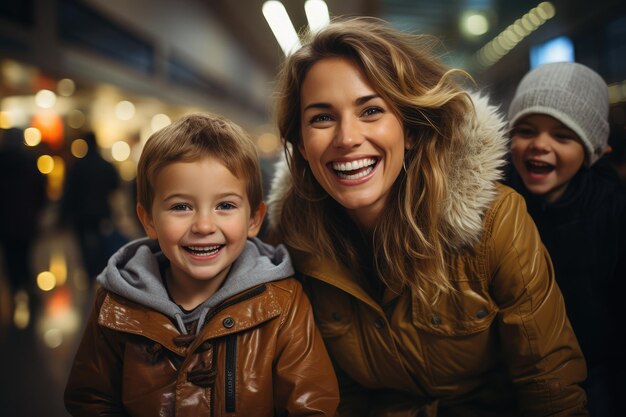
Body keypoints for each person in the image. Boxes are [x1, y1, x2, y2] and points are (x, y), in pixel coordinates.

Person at [266, 17, 588, 416]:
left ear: (412, 129)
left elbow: (550, 385)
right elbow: (334, 396)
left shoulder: (494, 221)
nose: (347, 138)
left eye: (370, 111)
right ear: (300, 142)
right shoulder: (292, 245)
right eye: (322, 117)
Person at [64, 113, 339, 416]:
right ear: (149, 221)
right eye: (181, 207)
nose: (204, 225)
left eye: (225, 206)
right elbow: (91, 399)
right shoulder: (115, 305)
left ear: (254, 219)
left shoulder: (283, 304)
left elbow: (313, 405)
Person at [504, 62, 626, 417]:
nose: (539, 145)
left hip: (594, 371)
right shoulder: (496, 205)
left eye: (562, 135)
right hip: (514, 373)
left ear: (593, 151)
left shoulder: (612, 212)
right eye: (526, 130)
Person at [60, 131, 125, 283]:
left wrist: (63, 216)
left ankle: (90, 274)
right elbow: (115, 189)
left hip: (81, 215)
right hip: (102, 213)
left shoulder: (77, 166)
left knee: (84, 247)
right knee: (102, 244)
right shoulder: (106, 166)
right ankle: (101, 272)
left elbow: (69, 192)